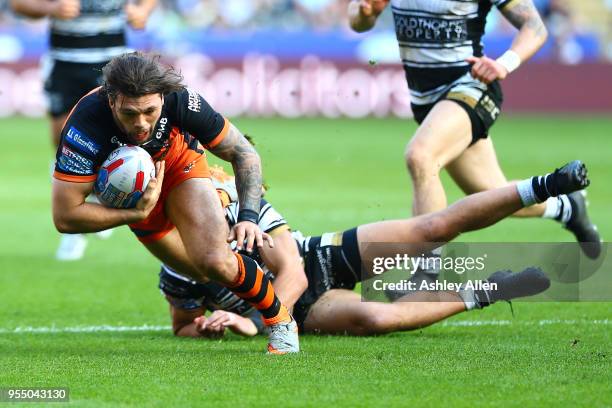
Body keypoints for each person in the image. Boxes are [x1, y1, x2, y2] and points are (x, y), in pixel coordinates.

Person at [159, 160, 589, 338]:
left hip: (313, 261)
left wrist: (263, 319)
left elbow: (295, 271)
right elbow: (183, 324)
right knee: (377, 316)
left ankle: (548, 187)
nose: (209, 203)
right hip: (307, 309)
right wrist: (220, 325)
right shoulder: (179, 263)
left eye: (213, 194)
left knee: (432, 229)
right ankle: (492, 290)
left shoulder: (245, 210)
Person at [50, 52, 301, 354]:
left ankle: (281, 320)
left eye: (150, 111)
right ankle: (219, 196)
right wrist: (134, 212)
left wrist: (248, 216)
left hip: (179, 164)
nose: (141, 123)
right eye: (130, 113)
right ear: (112, 100)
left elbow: (244, 152)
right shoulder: (84, 126)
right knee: (200, 273)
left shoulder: (181, 100)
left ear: (162, 98)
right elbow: (65, 217)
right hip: (134, 199)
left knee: (215, 260)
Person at [347, 0, 601, 259]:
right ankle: (565, 206)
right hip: (426, 101)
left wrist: (505, 63)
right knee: (489, 196)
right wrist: (366, 13)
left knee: (420, 155)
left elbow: (534, 26)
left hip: (472, 86)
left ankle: (426, 276)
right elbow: (357, 23)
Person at [11, 0, 157, 261]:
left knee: (116, 137)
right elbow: (18, 4)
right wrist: (50, 10)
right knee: (63, 142)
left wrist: (143, 10)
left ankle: (82, 224)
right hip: (66, 61)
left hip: (114, 63)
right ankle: (76, 215)